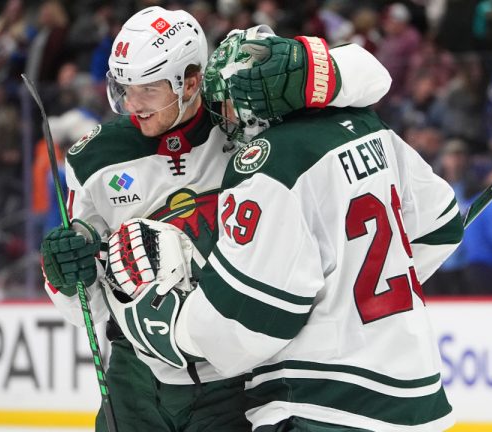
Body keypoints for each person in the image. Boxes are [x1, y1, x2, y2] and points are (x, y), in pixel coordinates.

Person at [39, 7, 392, 432]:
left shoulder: (246, 122)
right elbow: (87, 303)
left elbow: (372, 81)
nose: (132, 105)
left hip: (237, 379)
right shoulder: (94, 162)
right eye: (124, 89)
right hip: (135, 381)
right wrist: (65, 276)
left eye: (147, 90)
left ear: (189, 82)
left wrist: (305, 68)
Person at [105, 28, 463, 431]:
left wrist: (170, 325)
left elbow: (245, 327)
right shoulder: (369, 127)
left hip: (322, 406)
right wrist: (349, 294)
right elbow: (441, 229)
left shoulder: (265, 166)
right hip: (419, 399)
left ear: (254, 100)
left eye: (225, 102)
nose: (223, 116)